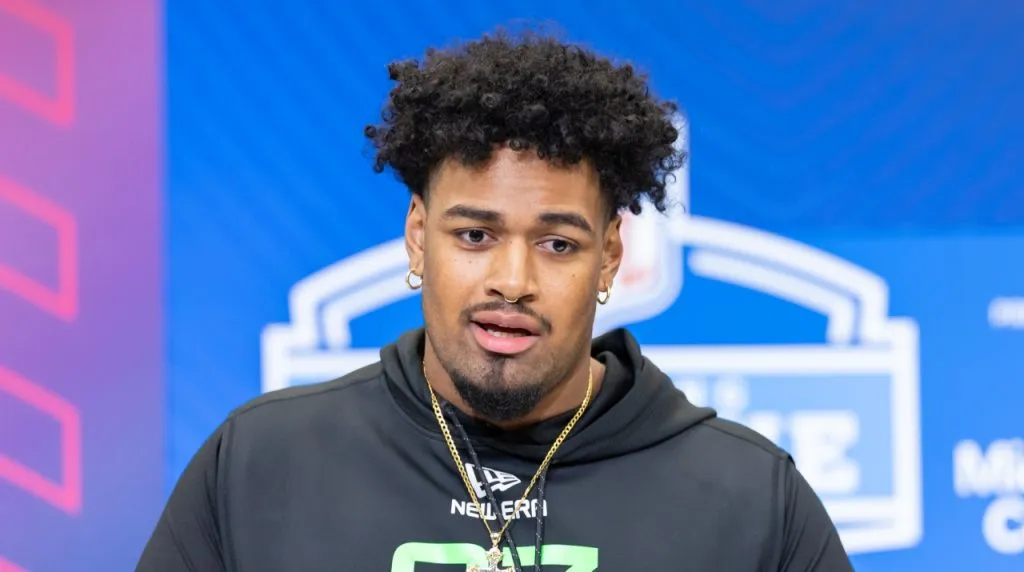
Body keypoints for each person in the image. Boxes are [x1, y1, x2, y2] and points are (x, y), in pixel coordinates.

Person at [136, 27, 853, 571]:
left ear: (610, 256)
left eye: (558, 244)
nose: (512, 280)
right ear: (418, 237)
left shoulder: (751, 497)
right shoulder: (262, 464)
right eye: (476, 234)